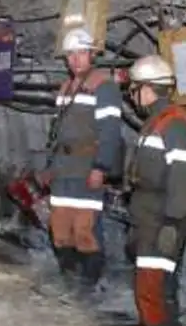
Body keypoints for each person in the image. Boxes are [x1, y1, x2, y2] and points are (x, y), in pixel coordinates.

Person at [121, 55, 186, 326]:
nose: (133, 96)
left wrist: (171, 223)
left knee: (154, 289)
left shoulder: (176, 124)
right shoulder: (158, 121)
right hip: (149, 216)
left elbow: (184, 177)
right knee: (155, 287)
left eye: (135, 89)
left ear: (148, 88)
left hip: (162, 219)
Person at [44, 27, 125, 289]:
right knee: (60, 228)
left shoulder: (104, 87)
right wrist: (49, 166)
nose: (75, 59)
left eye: (81, 53)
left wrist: (100, 167)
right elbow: (56, 132)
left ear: (92, 54)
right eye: (70, 54)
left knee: (85, 230)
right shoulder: (66, 88)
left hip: (86, 168)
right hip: (63, 170)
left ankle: (91, 282)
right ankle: (68, 276)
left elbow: (110, 132)